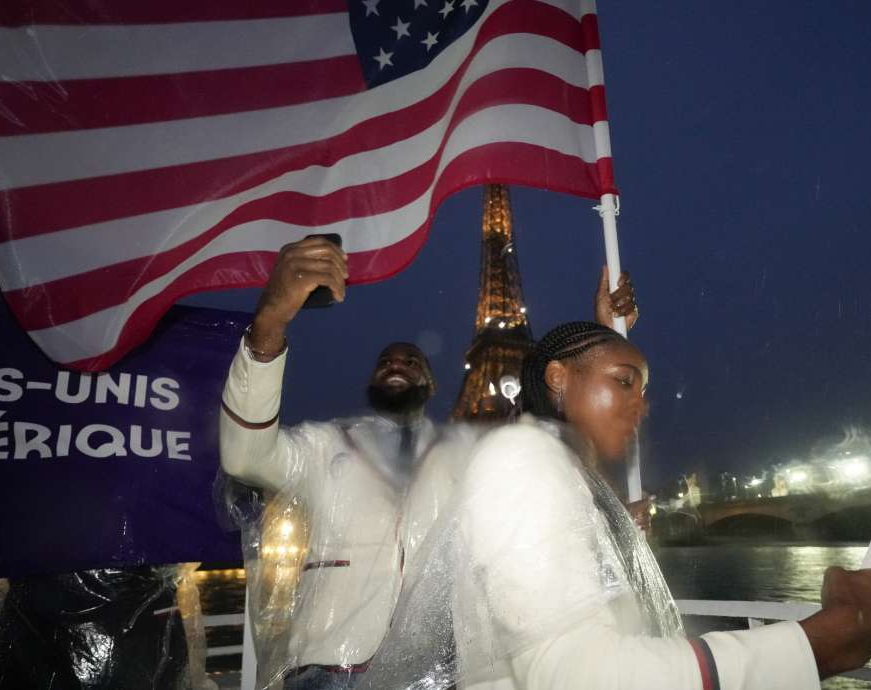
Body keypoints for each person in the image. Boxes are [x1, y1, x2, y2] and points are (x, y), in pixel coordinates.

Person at [360, 321, 871, 690]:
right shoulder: (521, 457)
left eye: (644, 390)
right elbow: (580, 676)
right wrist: (819, 642)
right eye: (624, 382)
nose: (641, 406)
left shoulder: (553, 469)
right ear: (556, 378)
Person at [219, 238, 640, 690]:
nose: (397, 364)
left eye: (411, 360)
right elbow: (246, 454)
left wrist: (602, 339)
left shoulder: (463, 450)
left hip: (430, 669)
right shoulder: (324, 445)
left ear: (433, 382)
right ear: (373, 379)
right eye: (387, 360)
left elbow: (547, 440)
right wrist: (270, 321)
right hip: (327, 667)